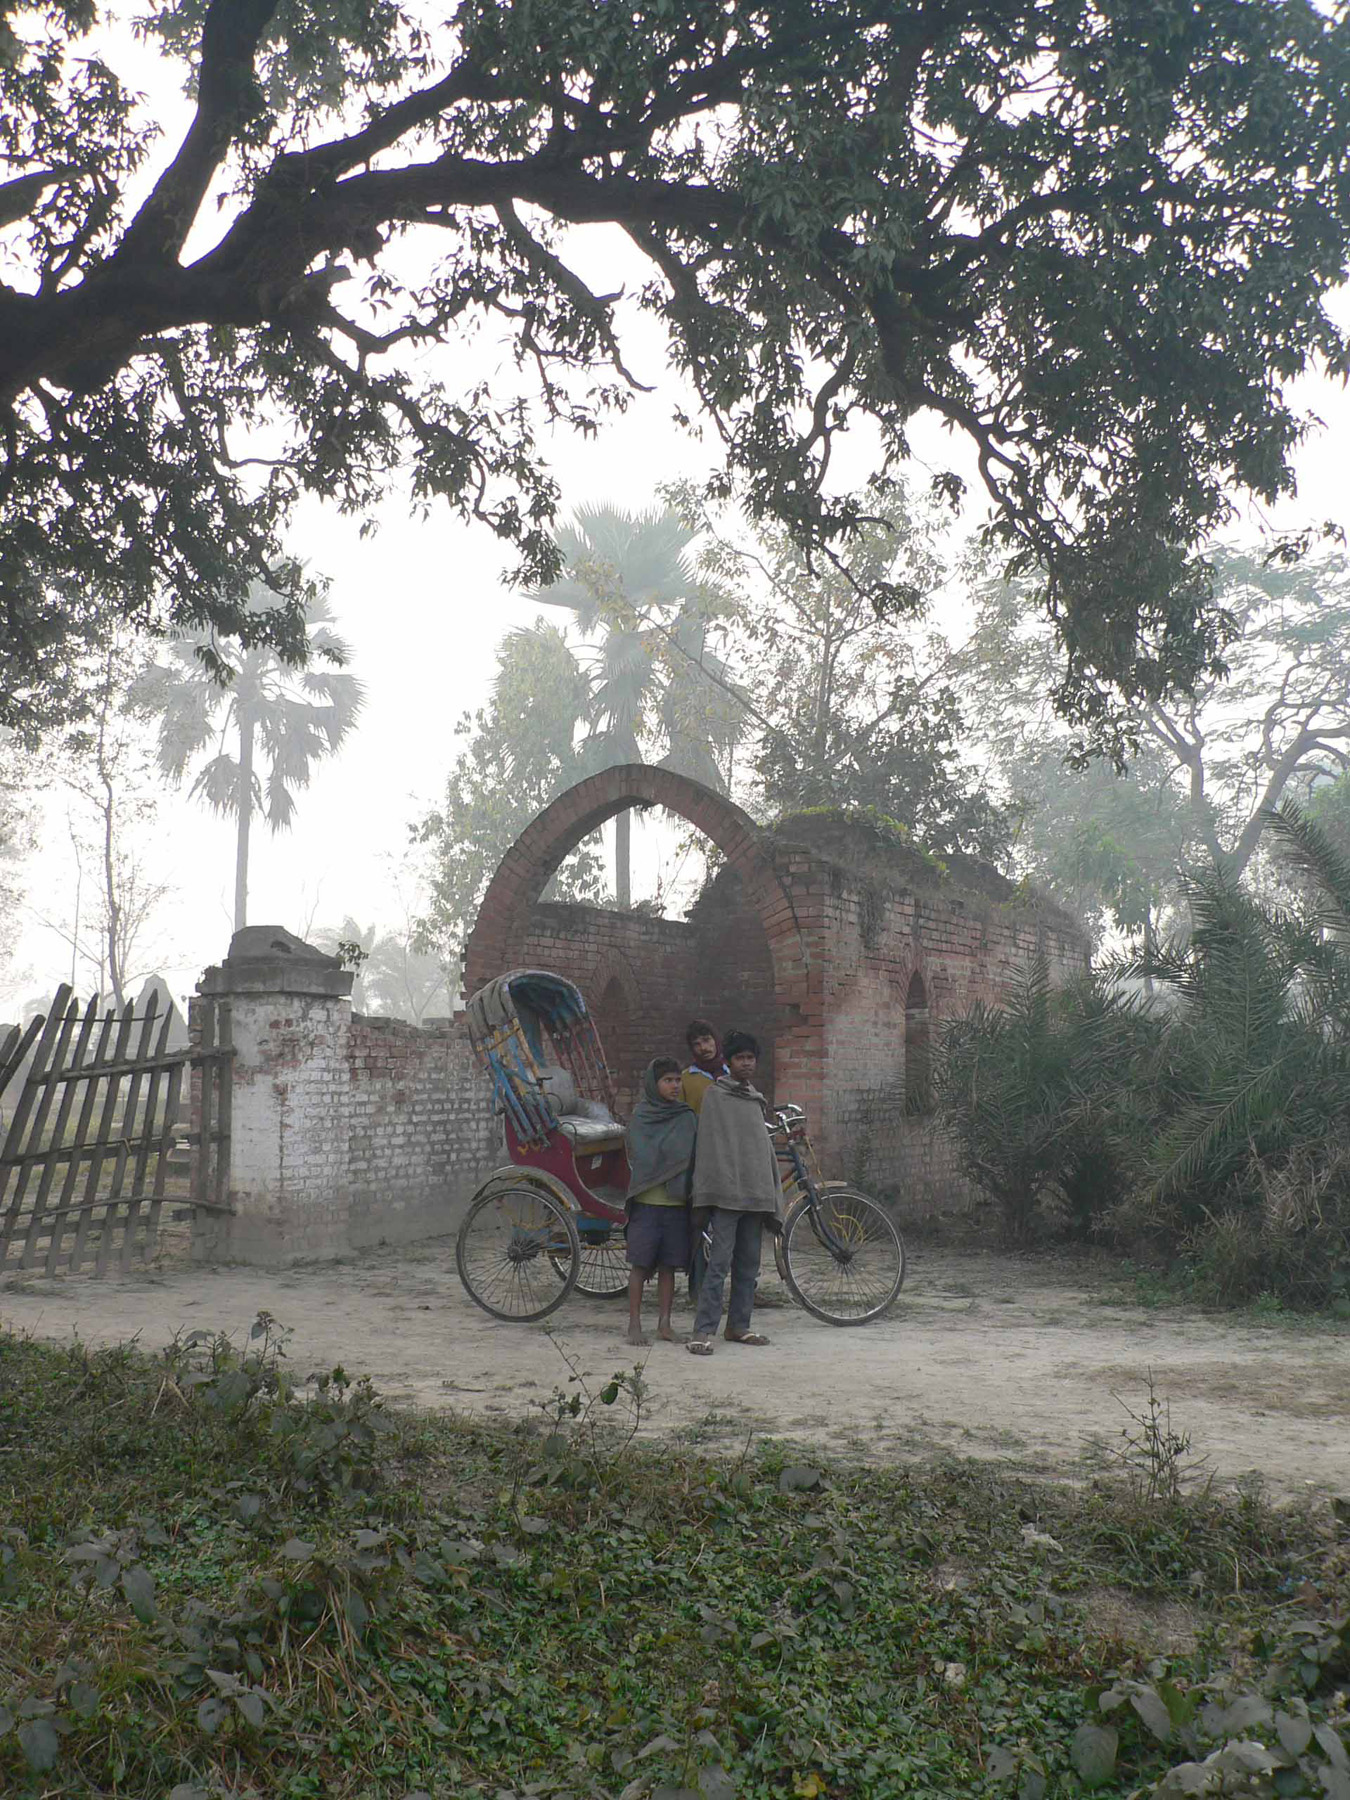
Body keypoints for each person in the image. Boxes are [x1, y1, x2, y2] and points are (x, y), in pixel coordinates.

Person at [686, 1030, 780, 1356]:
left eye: (751, 1058)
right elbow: (711, 1148)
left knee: (749, 1264)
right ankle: (702, 1330)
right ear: (728, 1061)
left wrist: (767, 1188)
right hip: (725, 1194)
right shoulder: (715, 1096)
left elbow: (759, 1150)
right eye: (740, 1058)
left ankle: (739, 1325)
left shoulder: (755, 1099)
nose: (746, 1064)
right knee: (719, 1263)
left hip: (754, 1193)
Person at [622, 1057, 697, 1347]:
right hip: (647, 1201)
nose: (675, 1086)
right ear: (654, 1084)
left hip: (677, 1203)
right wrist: (669, 1158)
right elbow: (642, 1152)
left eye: (678, 1080)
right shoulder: (642, 1116)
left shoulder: (686, 1116)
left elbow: (693, 1152)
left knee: (669, 1266)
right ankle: (634, 1324)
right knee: (640, 1265)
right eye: (668, 1080)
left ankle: (665, 1324)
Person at [680, 1019, 727, 1114]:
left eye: (706, 1040)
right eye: (696, 1044)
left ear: (715, 1040)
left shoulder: (733, 1073)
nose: (703, 1048)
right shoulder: (683, 1080)